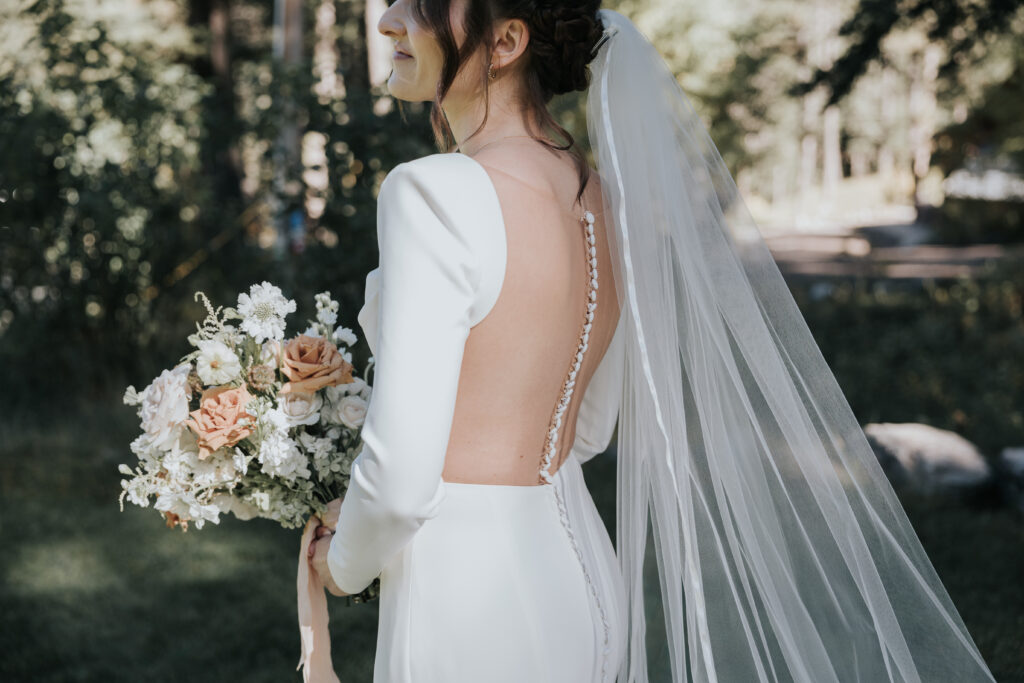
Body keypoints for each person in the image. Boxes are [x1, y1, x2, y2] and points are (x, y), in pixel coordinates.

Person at [305, 2, 1000, 682]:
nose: (390, 19)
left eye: (425, 3)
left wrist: (342, 564)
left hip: (465, 597)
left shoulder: (429, 191)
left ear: (508, 40)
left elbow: (399, 485)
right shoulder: (602, 198)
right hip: (581, 568)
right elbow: (588, 428)